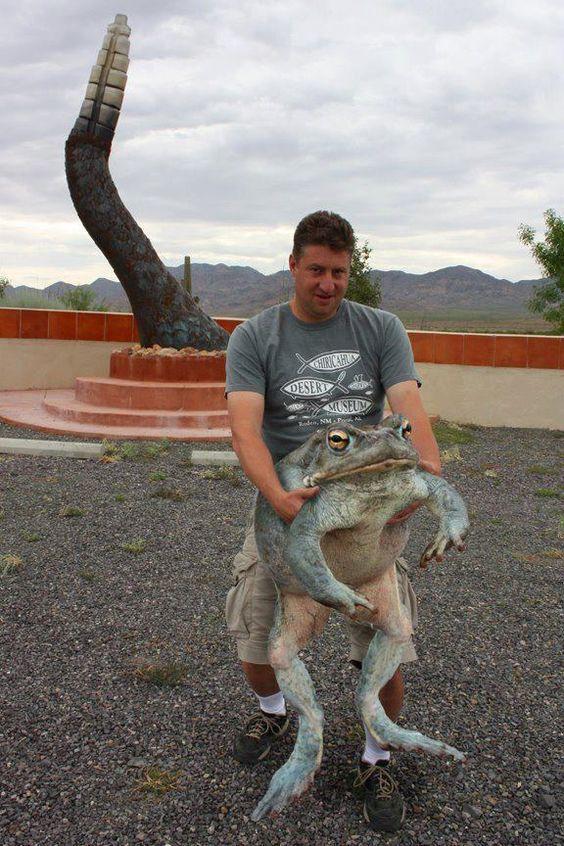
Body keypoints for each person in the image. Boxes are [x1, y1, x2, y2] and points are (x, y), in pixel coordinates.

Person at [224, 210, 441, 833]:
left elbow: (408, 406)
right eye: (316, 269)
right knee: (257, 634)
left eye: (340, 272)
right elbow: (245, 431)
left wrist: (426, 473)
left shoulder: (380, 328)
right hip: (285, 510)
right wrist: (280, 498)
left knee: (385, 647)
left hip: (362, 515)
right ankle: (273, 709)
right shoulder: (256, 337)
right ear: (293, 264)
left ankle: (376, 757)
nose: (328, 283)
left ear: (351, 272)